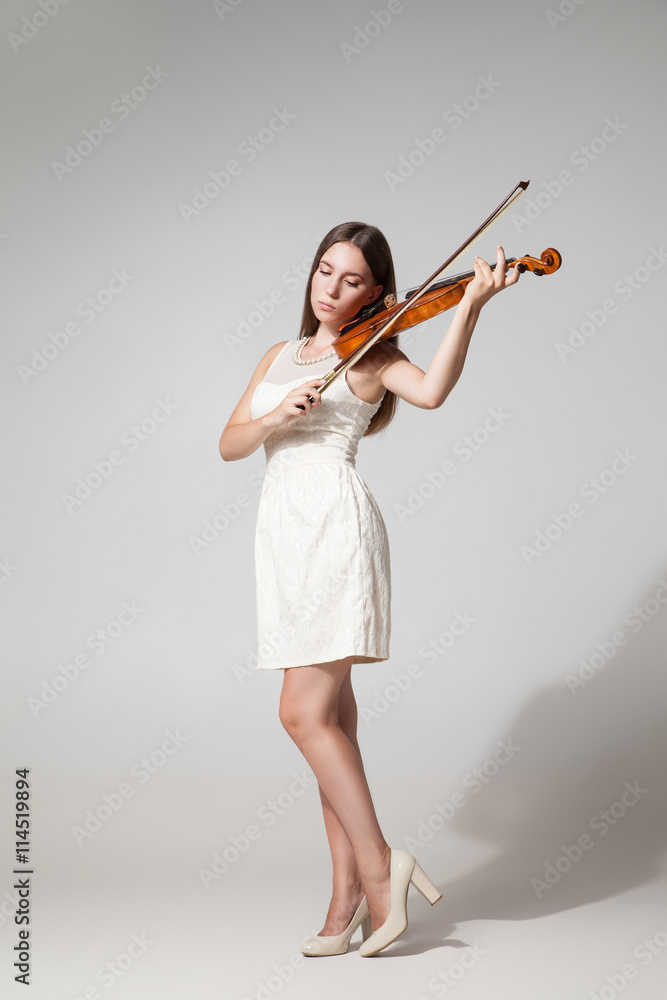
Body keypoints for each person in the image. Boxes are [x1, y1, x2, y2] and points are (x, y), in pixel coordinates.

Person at [219, 221, 520, 957]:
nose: (332, 288)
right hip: (283, 538)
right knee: (334, 728)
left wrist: (470, 306)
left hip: (333, 530)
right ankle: (345, 897)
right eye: (325, 270)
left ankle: (382, 869)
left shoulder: (374, 352)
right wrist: (274, 415)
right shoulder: (280, 354)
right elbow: (229, 444)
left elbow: (432, 393)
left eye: (351, 280)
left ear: (376, 293)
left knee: (300, 714)